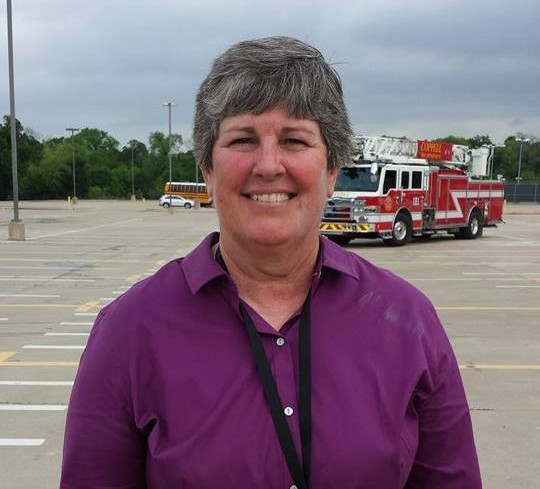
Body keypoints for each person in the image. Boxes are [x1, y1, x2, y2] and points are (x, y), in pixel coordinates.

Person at [60, 36, 482, 489]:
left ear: (332, 168)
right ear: (207, 168)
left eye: (294, 140)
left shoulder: (406, 319)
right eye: (242, 140)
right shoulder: (129, 330)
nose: (267, 165)